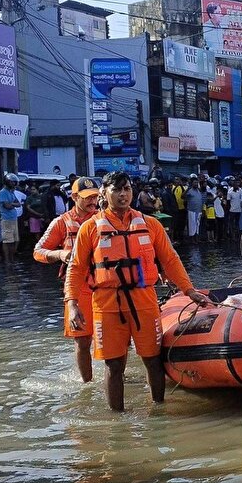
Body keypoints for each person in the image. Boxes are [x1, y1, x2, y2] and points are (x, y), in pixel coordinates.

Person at [64, 171, 210, 412]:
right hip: (107, 304)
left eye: (127, 189)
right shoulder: (90, 228)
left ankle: (158, 412)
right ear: (104, 193)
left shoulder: (150, 224)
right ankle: (117, 420)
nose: (123, 194)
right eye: (117, 190)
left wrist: (189, 290)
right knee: (113, 365)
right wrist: (72, 303)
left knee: (152, 359)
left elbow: (170, 259)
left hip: (144, 299)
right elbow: (76, 267)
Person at [34, 177, 101, 383]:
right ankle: (87, 384)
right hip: (78, 288)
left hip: (105, 285)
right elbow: (38, 251)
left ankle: (117, 377)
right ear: (74, 197)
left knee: (115, 337)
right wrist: (59, 254)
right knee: (82, 340)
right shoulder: (61, 222)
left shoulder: (103, 218)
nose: (92, 201)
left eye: (95, 197)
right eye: (87, 197)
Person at [0, 173, 23, 261]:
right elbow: (7, 206)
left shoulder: (11, 192)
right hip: (6, 219)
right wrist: (13, 204)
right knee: (7, 241)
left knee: (15, 240)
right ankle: (7, 260)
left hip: (13, 218)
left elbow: (18, 204)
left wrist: (11, 204)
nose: (14, 184)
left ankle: (11, 259)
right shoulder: (3, 192)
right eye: (12, 182)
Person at [185, 176, 204, 242]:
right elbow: (182, 196)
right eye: (194, 183)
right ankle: (192, 239)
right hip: (192, 211)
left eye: (197, 182)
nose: (196, 184)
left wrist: (202, 210)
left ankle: (196, 238)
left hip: (198, 211)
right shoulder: (189, 190)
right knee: (192, 225)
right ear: (192, 183)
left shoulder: (199, 191)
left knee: (197, 225)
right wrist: (187, 189)